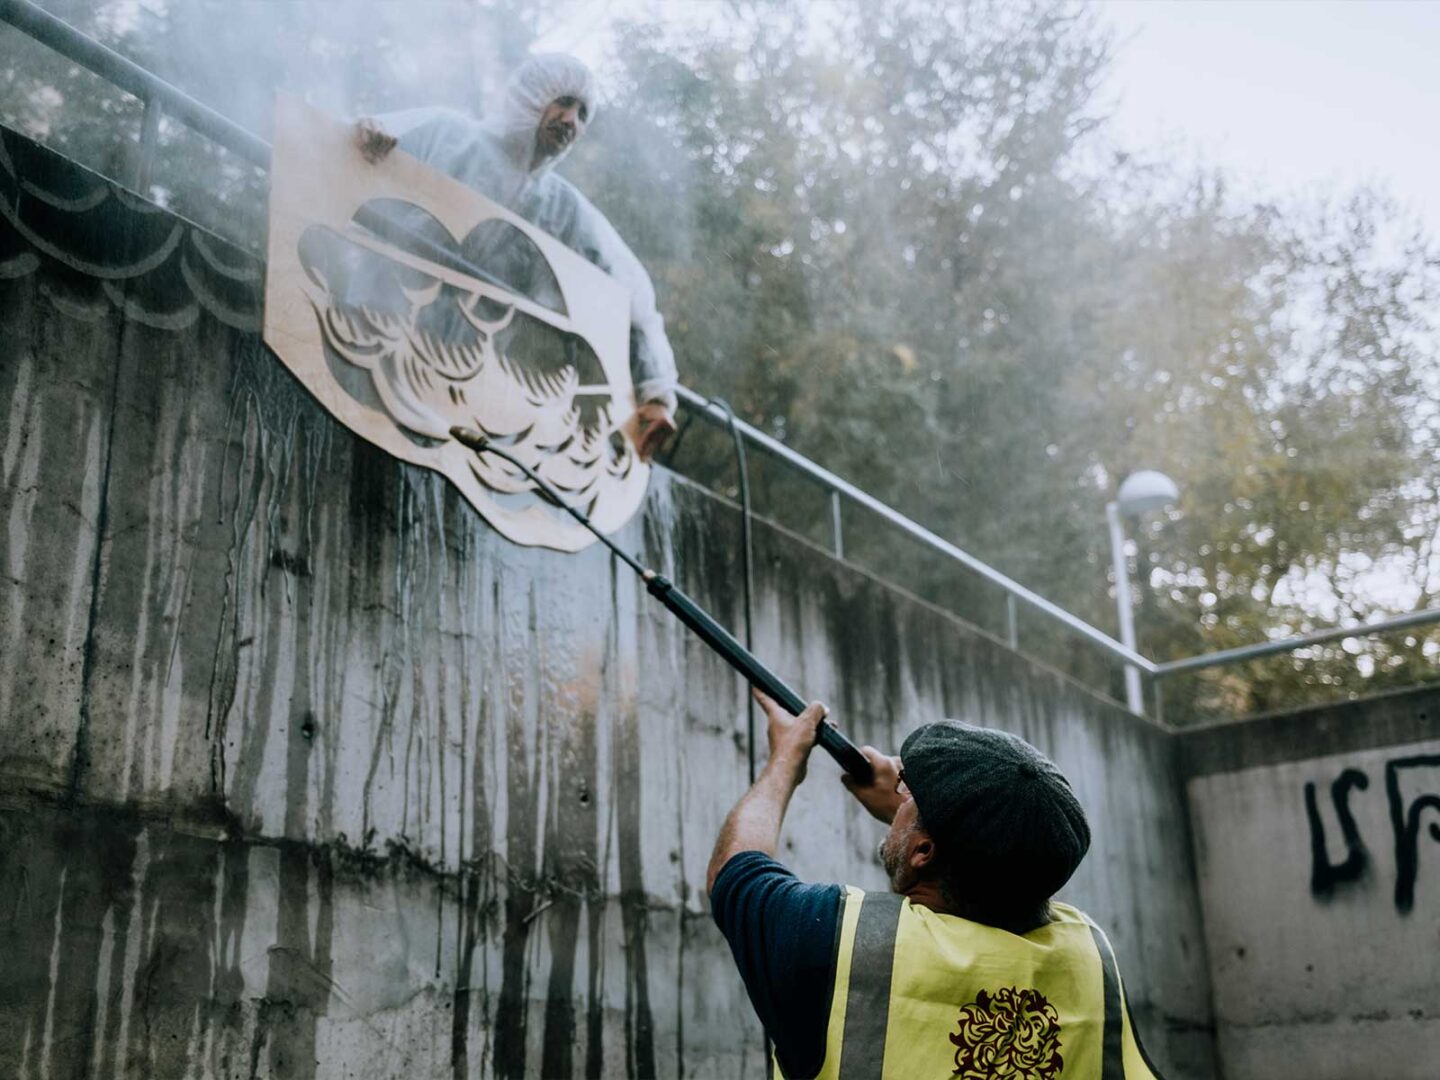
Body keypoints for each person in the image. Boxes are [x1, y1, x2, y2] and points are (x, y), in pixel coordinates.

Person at [707, 690, 1164, 1079]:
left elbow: (736, 871)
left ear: (924, 853)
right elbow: (1012, 866)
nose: (900, 792)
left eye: (908, 792)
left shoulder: (839, 943)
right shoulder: (1090, 961)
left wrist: (786, 758)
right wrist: (921, 820)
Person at [352, 53, 678, 461]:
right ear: (530, 97)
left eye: (582, 113)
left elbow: (633, 295)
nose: (571, 121)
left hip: (454, 384)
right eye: (563, 102)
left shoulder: (562, 209)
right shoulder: (446, 133)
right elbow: (354, 150)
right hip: (363, 333)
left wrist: (657, 393)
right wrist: (370, 137)